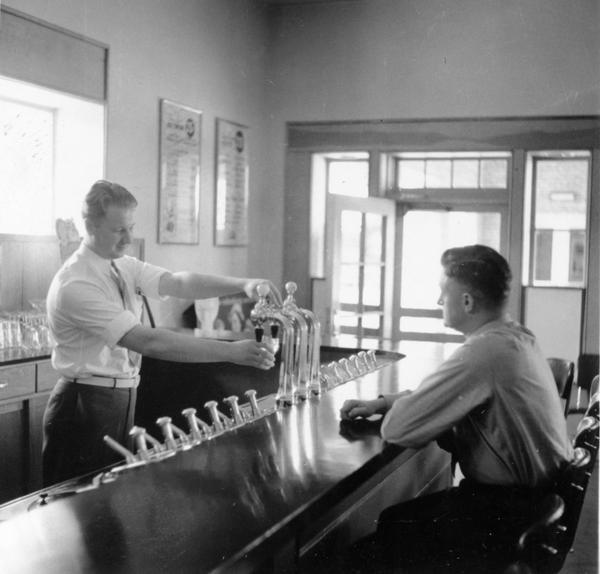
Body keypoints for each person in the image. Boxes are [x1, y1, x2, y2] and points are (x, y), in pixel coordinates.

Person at [340, 245, 572, 572]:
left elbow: (397, 428)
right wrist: (382, 402)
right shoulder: (514, 337)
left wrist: (401, 408)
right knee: (398, 522)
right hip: (535, 505)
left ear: (467, 301)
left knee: (379, 538)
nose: (438, 302)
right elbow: (449, 395)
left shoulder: (484, 351)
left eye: (442, 293)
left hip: (505, 512)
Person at [43, 180, 281, 487]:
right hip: (84, 404)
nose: (129, 239)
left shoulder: (120, 265)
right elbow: (148, 341)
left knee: (108, 509)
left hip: (120, 398)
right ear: (90, 225)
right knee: (78, 512)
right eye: (120, 230)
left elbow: (178, 283)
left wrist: (243, 284)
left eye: (131, 227)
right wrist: (232, 352)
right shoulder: (76, 283)